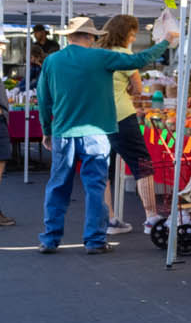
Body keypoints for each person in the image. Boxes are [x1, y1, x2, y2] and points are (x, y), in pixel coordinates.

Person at [36, 16, 168, 254]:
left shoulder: (52, 61)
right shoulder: (100, 57)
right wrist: (165, 41)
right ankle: (95, 241)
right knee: (95, 187)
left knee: (57, 186)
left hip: (63, 132)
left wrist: (46, 130)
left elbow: (44, 100)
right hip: (96, 133)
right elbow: (141, 59)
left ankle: (50, 239)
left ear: (68, 36)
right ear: (90, 37)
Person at [101, 14, 162, 235]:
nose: (134, 38)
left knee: (103, 171)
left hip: (100, 119)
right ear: (125, 34)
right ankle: (151, 216)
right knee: (142, 164)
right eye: (133, 34)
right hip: (122, 117)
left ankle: (108, 219)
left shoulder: (99, 55)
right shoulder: (125, 55)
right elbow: (138, 88)